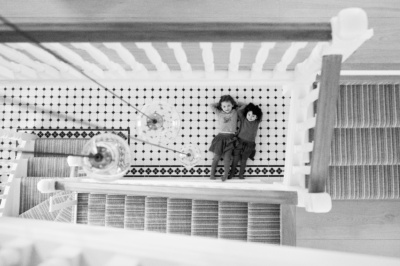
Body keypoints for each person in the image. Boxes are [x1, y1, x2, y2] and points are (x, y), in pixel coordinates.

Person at [208, 95, 242, 181]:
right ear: (221, 106)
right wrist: (219, 103)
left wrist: (236, 103)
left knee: (227, 158)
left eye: (228, 105)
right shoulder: (219, 113)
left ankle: (225, 175)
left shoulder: (235, 112)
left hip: (231, 138)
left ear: (232, 105)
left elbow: (244, 105)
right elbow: (211, 105)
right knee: (217, 157)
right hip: (221, 137)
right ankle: (212, 174)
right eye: (224, 106)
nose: (226, 108)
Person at [229, 103, 263, 180]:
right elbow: (239, 111)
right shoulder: (243, 119)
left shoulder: (257, 122)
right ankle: (231, 173)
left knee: (244, 160)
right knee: (235, 158)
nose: (250, 117)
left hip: (249, 144)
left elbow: (261, 114)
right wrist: (246, 105)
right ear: (246, 113)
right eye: (249, 114)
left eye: (253, 116)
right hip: (239, 141)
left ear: (257, 117)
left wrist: (254, 109)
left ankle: (241, 175)